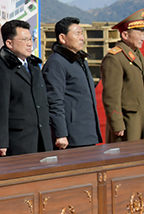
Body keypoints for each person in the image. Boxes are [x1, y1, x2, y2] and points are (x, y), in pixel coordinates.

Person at [0, 19, 52, 156]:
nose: (29, 43)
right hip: (17, 141)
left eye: (30, 39)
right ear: (9, 43)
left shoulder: (34, 66)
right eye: (24, 40)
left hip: (41, 138)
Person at [42, 17, 102, 149]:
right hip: (72, 136)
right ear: (62, 38)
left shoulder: (80, 60)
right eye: (77, 34)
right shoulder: (56, 63)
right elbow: (54, 100)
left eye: (82, 34)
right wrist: (60, 134)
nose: (82, 38)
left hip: (87, 132)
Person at [100, 9, 144, 142]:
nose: (143, 36)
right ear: (125, 35)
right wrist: (116, 123)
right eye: (139, 32)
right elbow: (111, 96)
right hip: (129, 124)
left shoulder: (137, 55)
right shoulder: (115, 58)